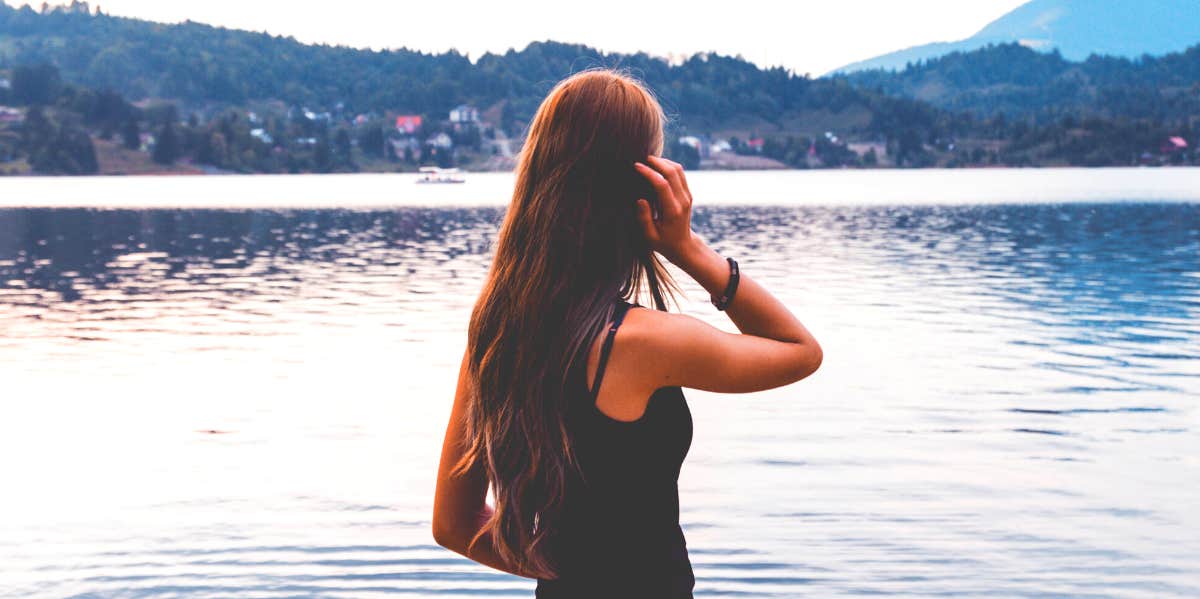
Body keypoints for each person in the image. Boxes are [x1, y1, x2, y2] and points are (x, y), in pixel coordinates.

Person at [432, 67, 822, 598]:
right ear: (643, 186)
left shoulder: (497, 337)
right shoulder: (642, 342)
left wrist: (572, 573)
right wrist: (690, 250)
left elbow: (453, 526)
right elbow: (799, 351)